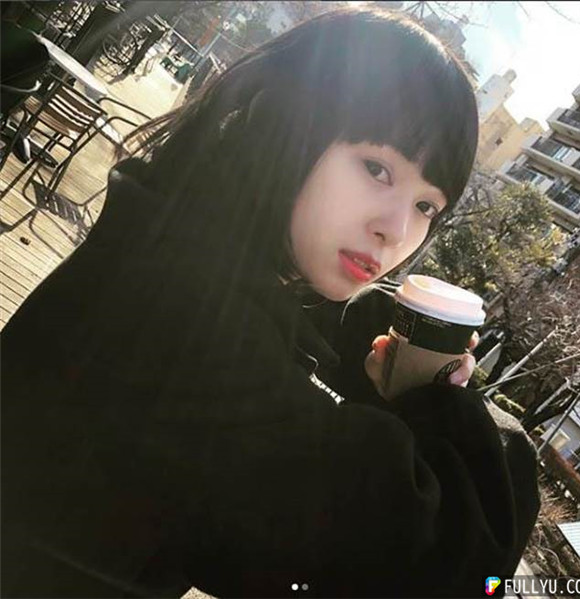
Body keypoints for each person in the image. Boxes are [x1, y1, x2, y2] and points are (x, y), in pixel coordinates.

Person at [1, 7, 540, 599]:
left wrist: (380, 351)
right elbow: (448, 567)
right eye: (377, 168)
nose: (396, 230)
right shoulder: (187, 330)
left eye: (426, 206)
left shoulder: (172, 240)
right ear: (289, 125)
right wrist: (448, 413)